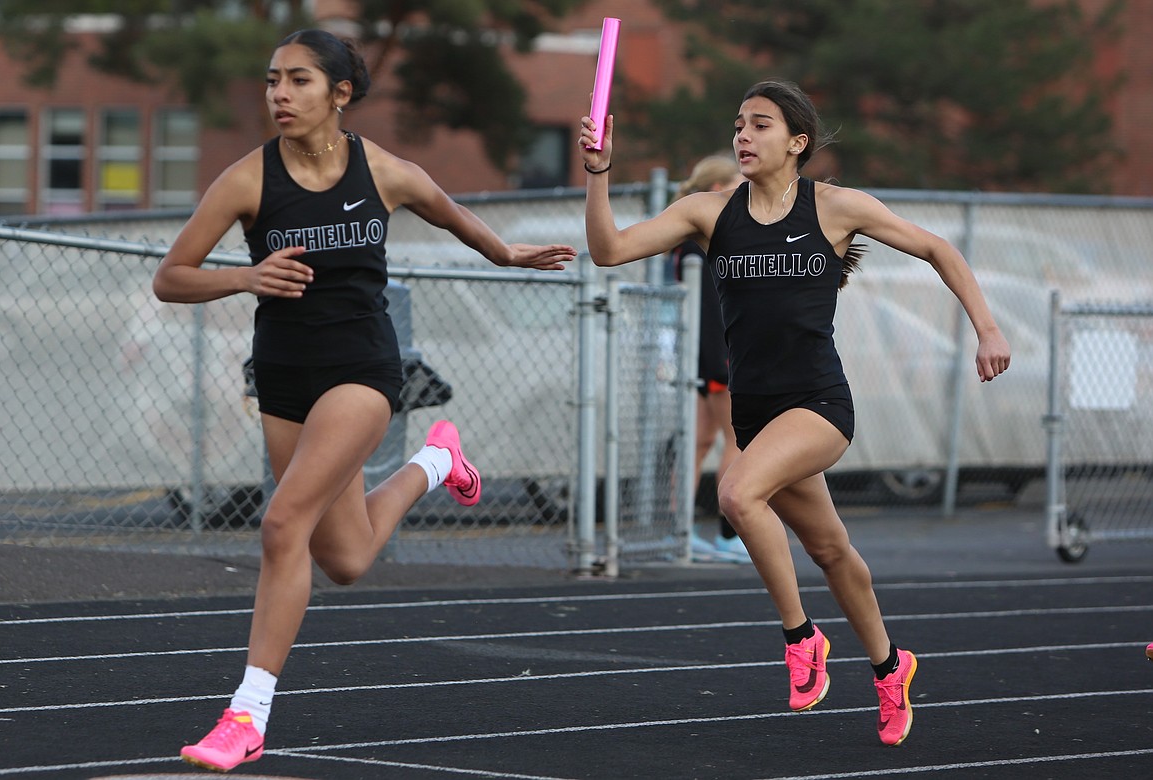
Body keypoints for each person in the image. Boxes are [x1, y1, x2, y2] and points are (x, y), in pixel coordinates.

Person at [154, 28, 575, 773]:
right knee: (344, 557)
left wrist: (508, 253)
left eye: (299, 81)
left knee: (283, 523)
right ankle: (437, 460)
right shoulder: (247, 179)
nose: (279, 94)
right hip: (283, 377)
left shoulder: (381, 169)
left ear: (340, 93)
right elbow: (172, 277)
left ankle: (247, 714)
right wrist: (246, 278)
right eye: (272, 80)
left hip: (362, 369)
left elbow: (453, 214)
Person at [579, 79, 1010, 747]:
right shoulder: (708, 211)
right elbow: (608, 249)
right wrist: (598, 176)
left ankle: (801, 637)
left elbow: (937, 249)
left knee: (736, 493)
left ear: (797, 142)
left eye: (760, 125)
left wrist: (986, 328)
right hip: (754, 410)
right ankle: (891, 666)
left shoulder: (835, 208)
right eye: (738, 125)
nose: (743, 137)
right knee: (832, 550)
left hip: (817, 404)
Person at [670, 155, 750, 564]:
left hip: (707, 359)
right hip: (718, 359)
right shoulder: (699, 245)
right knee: (737, 441)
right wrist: (719, 364)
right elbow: (708, 313)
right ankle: (726, 532)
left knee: (701, 441)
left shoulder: (692, 242)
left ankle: (677, 528)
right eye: (737, 185)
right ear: (717, 190)